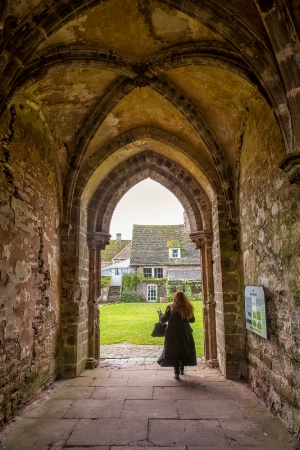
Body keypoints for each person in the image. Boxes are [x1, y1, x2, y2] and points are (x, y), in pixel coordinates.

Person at [157, 290, 197, 379]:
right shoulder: (188, 307)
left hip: (173, 332)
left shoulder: (170, 308)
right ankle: (182, 368)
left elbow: (163, 320)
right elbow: (192, 320)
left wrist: (160, 314)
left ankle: (176, 372)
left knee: (174, 351)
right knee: (183, 349)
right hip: (185, 332)